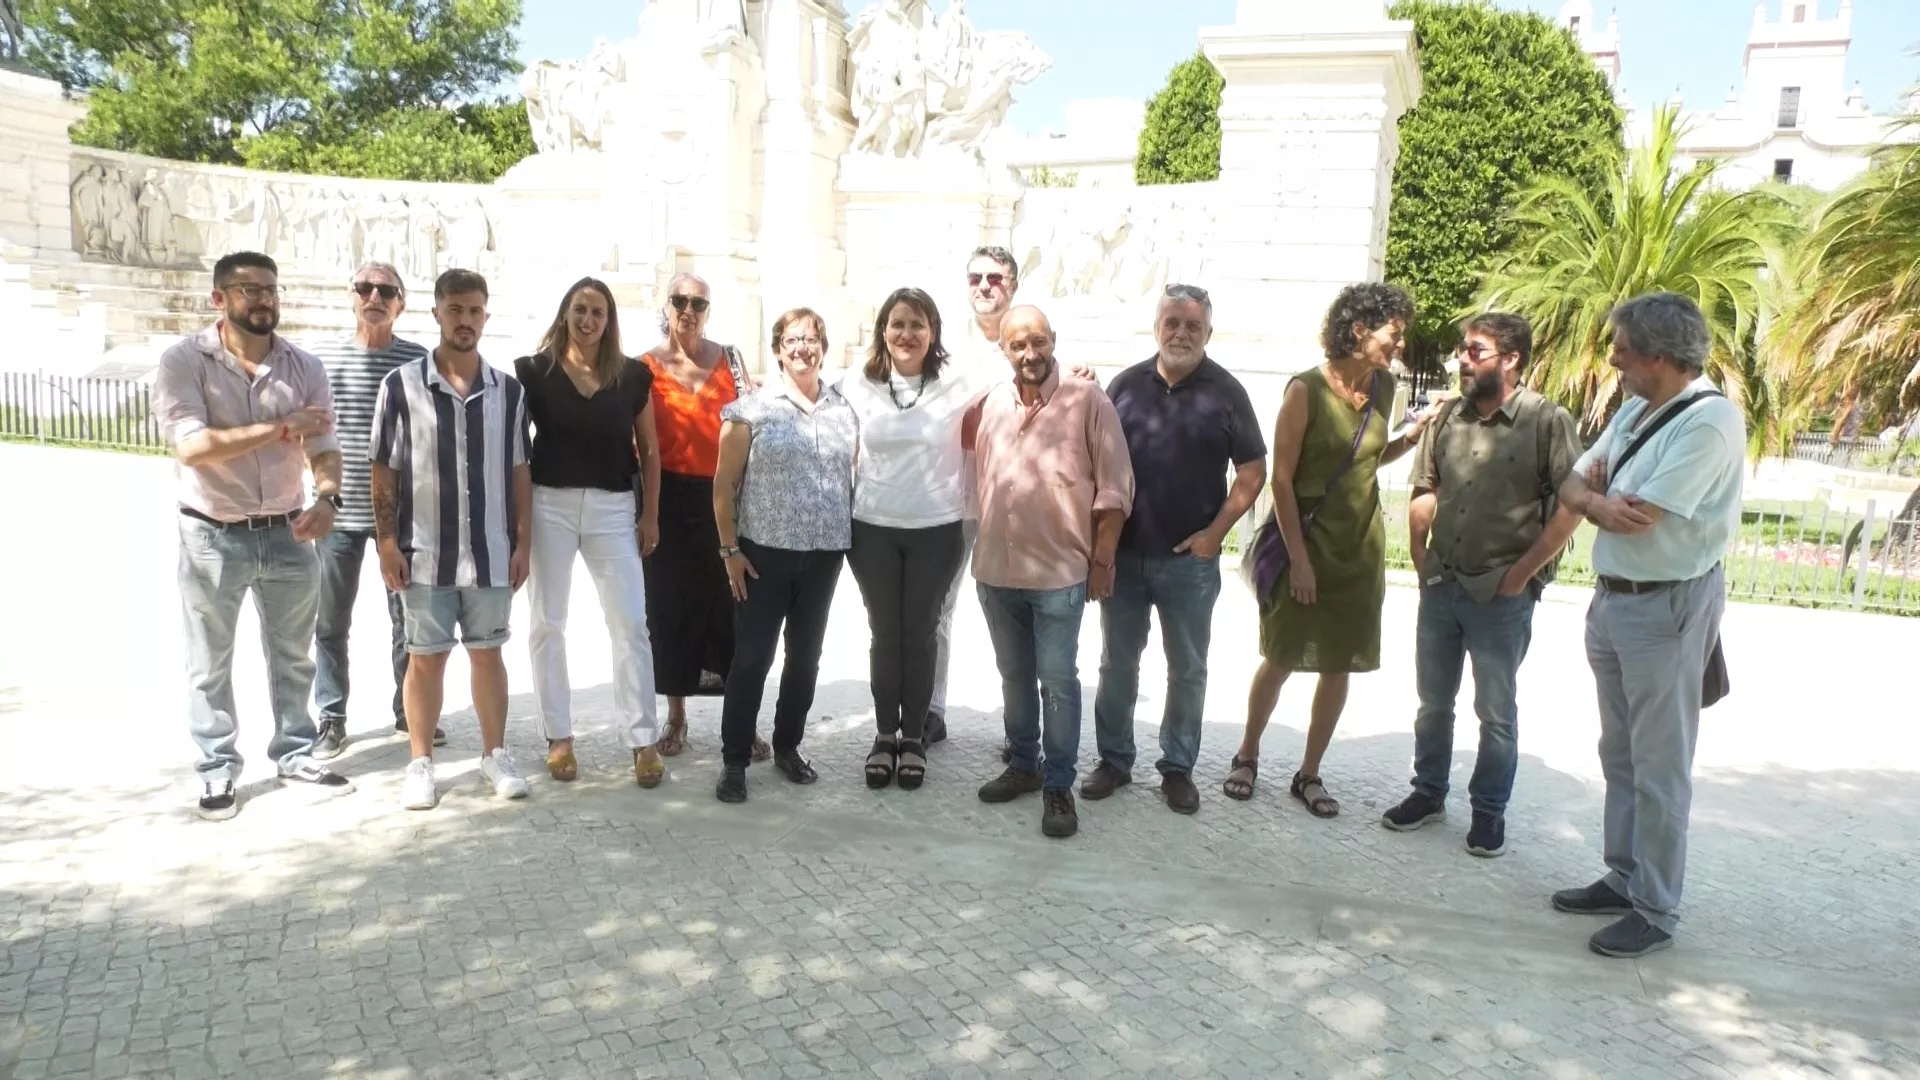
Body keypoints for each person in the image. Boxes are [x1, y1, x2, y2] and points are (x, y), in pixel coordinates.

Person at [1551, 292, 1744, 958]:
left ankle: (1656, 908)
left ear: (1658, 357)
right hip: (1616, 601)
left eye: (1622, 349)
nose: (1613, 360)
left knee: (1661, 766)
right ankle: (1624, 873)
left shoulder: (1709, 423)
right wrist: (1593, 497)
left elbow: (1639, 512)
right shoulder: (1638, 409)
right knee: (1621, 753)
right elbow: (1573, 485)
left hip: (1666, 607)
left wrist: (1594, 500)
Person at [152, 251, 354, 820]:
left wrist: (330, 498)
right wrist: (280, 427)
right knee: (210, 661)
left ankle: (294, 752)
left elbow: (324, 446)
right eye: (248, 291)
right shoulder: (183, 362)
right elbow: (191, 446)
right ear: (220, 299)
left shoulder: (303, 366)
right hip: (212, 534)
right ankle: (218, 768)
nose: (264, 300)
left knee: (294, 655)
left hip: (289, 530)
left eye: (270, 289)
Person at [1224, 283, 1434, 815]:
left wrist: (1409, 439)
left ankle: (1309, 773)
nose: (1400, 344)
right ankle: (1246, 755)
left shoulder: (1385, 388)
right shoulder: (1305, 391)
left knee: (1338, 663)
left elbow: (1366, 459)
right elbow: (1284, 482)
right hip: (1307, 543)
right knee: (1280, 656)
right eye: (1395, 332)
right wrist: (1298, 559)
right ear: (1360, 329)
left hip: (1360, 549)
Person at [1383, 312, 1582, 857]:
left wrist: (1522, 575)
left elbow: (1571, 508)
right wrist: (1421, 559)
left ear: (1511, 359)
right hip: (1443, 585)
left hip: (1503, 595)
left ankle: (1489, 811)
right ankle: (1427, 792)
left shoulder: (1546, 421)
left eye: (1474, 351)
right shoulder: (1448, 417)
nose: (1462, 361)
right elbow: (1425, 487)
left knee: (1495, 713)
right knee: (1432, 703)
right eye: (1462, 351)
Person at [1087, 284, 1266, 815]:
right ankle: (1114, 761)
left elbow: (1254, 470)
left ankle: (1178, 768)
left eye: (1193, 325)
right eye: (1172, 323)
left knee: (1187, 669)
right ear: (1156, 327)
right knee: (1117, 664)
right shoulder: (1124, 386)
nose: (1181, 333)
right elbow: (1094, 462)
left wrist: (1217, 533)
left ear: (1208, 332)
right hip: (1125, 556)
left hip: (1190, 563)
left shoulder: (1227, 392)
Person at [370, 269, 534, 811]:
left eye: (475, 311)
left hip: (488, 549)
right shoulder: (401, 386)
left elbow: (518, 472)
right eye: (456, 309)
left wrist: (522, 544)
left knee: (489, 654)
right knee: (425, 658)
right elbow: (384, 471)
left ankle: (495, 754)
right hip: (424, 551)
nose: (465, 321)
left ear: (486, 316)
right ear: (437, 312)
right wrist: (387, 544)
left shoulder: (509, 393)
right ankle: (420, 762)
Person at [972, 305, 1134, 839]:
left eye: (1038, 342)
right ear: (1004, 350)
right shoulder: (992, 403)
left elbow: (1114, 490)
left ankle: (1059, 784)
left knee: (1058, 682)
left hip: (1060, 575)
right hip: (997, 571)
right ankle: (1024, 763)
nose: (1030, 354)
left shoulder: (1088, 399)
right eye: (1018, 345)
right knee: (1014, 678)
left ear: (1053, 340)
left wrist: (1103, 560)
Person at [515, 278, 667, 788]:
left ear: (609, 320)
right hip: (549, 504)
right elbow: (515, 454)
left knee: (630, 623)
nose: (587, 320)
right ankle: (558, 735)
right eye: (579, 309)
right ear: (565, 314)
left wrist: (651, 516)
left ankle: (643, 739)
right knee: (546, 622)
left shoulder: (632, 376)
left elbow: (649, 450)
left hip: (612, 507)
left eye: (597, 311)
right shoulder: (532, 373)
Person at [711, 308, 859, 803]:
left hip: (822, 557)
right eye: (792, 340)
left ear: (824, 347)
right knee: (752, 658)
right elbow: (724, 485)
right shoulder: (750, 408)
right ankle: (734, 760)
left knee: (806, 659)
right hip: (762, 557)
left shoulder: (844, 408)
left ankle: (788, 745)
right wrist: (729, 549)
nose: (803, 348)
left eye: (812, 339)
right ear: (777, 349)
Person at [840, 288, 976, 791]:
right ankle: (884, 734)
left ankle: (914, 737)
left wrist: (1080, 376)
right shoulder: (857, 382)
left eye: (917, 325)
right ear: (882, 330)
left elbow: (1015, 374)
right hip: (872, 527)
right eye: (897, 324)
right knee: (885, 633)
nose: (906, 334)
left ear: (933, 332)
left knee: (921, 632)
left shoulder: (957, 382)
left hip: (936, 529)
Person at [308, 262, 436, 758]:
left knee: (406, 620)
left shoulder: (417, 361)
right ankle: (332, 716)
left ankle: (409, 710)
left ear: (401, 303)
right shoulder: (324, 359)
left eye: (386, 290)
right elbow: (313, 433)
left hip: (399, 516)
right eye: (365, 287)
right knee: (330, 621)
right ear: (352, 296)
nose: (374, 296)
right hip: (339, 513)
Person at [640, 273, 768, 760]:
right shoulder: (644, 367)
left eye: (698, 303)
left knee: (733, 612)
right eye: (679, 301)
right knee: (670, 611)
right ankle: (675, 717)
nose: (688, 310)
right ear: (666, 306)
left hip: (724, 500)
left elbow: (752, 419)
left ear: (707, 310)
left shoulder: (730, 361)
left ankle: (741, 724)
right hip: (668, 502)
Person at [925, 245, 1022, 746]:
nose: (984, 286)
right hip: (950, 484)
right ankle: (932, 709)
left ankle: (1019, 725)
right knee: (939, 603)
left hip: (1005, 488)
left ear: (1013, 286)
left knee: (1010, 606)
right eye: (975, 278)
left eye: (995, 278)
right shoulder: (940, 342)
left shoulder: (1026, 339)